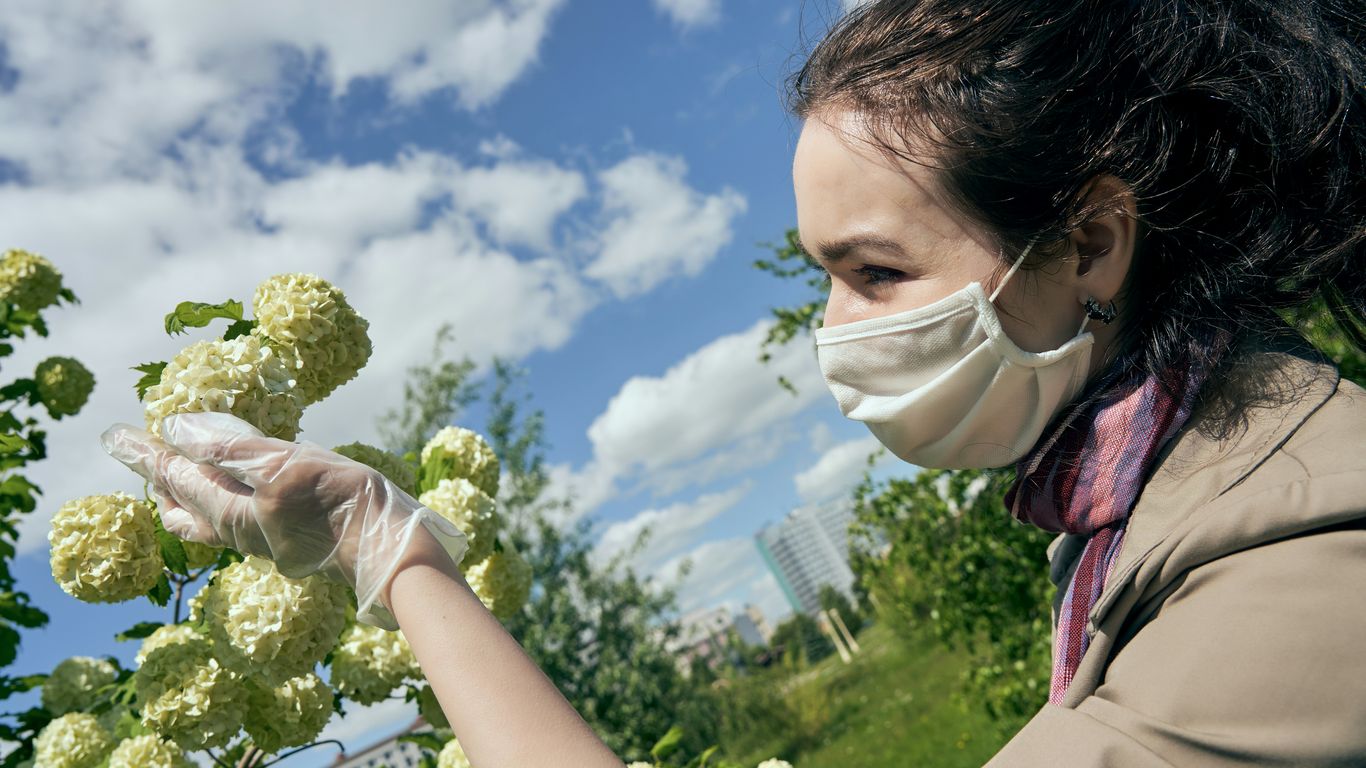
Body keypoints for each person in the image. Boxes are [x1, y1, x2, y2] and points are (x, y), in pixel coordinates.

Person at [99, 0, 1365, 765]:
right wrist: (387, 546)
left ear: (1089, 241)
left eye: (873, 271)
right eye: (823, 276)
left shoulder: (1304, 548)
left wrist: (397, 560)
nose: (832, 333)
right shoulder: (1137, 507)